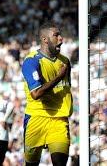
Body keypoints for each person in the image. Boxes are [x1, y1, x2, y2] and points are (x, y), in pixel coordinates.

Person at [21, 22, 73, 166]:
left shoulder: (65, 62)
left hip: (59, 120)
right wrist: (58, 77)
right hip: (36, 119)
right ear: (45, 39)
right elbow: (36, 94)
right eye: (56, 35)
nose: (61, 38)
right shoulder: (31, 61)